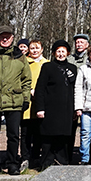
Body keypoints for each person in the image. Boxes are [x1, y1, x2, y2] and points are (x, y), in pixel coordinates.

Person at [0, 25, 32, 176]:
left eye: (8, 36)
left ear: (12, 38)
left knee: (13, 135)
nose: (5, 39)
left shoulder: (20, 57)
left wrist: (25, 98)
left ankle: (12, 163)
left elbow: (26, 80)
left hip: (14, 101)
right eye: (2, 36)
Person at [33, 40, 78, 169]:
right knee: (48, 136)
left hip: (67, 108)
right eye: (58, 51)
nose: (61, 54)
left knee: (64, 136)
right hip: (50, 108)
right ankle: (47, 161)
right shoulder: (47, 67)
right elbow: (40, 89)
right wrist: (40, 108)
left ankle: (62, 161)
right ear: (54, 53)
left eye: (63, 51)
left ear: (68, 53)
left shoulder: (73, 69)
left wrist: (75, 108)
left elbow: (76, 89)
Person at [23, 40, 49, 169]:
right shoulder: (24, 62)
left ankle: (36, 156)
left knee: (40, 132)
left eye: (37, 48)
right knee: (26, 132)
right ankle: (25, 157)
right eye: (32, 48)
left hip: (41, 102)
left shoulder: (47, 64)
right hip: (28, 102)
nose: (34, 50)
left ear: (42, 49)